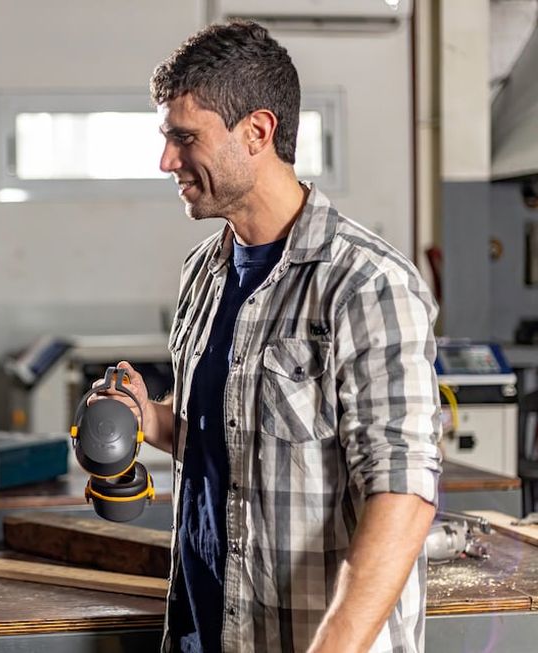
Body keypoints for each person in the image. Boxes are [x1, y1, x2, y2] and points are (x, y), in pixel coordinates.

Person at [97, 21, 441, 653]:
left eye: (184, 137)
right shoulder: (203, 271)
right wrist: (153, 421)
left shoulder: (367, 283)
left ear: (257, 132)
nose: (167, 160)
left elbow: (403, 496)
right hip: (203, 631)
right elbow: (234, 441)